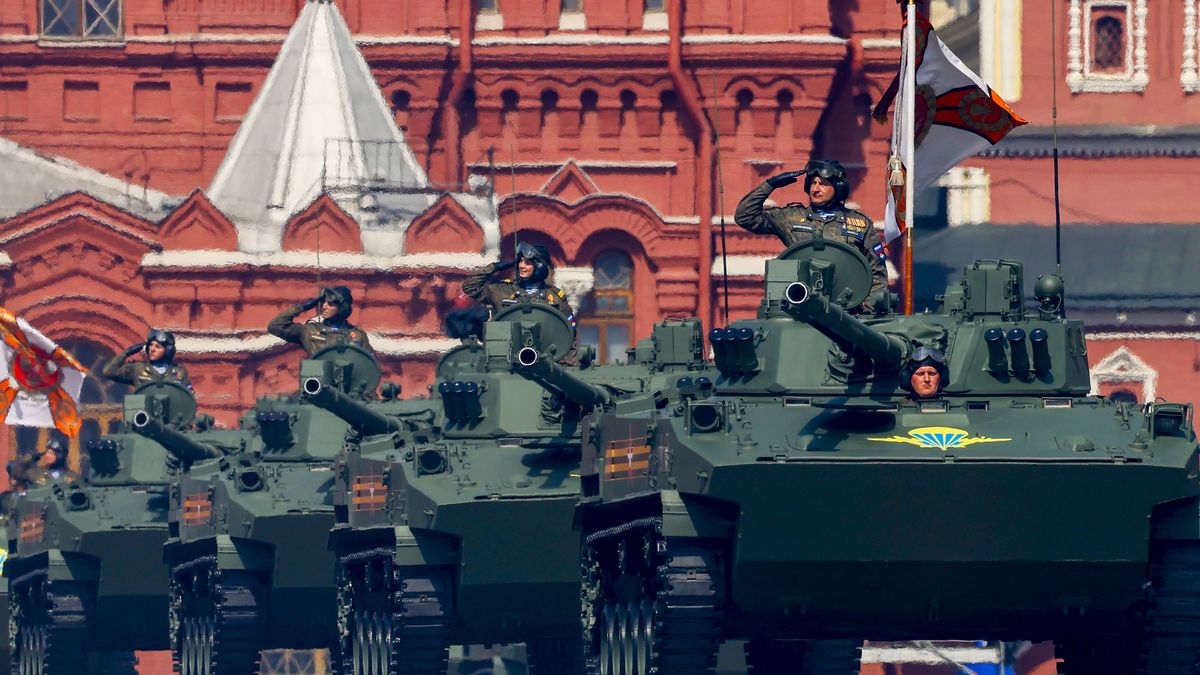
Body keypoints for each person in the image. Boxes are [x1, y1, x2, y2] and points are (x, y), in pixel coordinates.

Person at [734, 159, 888, 305]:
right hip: (799, 302)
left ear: (838, 187)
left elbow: (876, 270)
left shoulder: (859, 223)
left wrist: (866, 307)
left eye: (822, 184)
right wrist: (770, 184)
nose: (815, 189)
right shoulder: (791, 217)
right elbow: (745, 217)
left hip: (847, 308)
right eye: (813, 183)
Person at [462, 242, 575, 322]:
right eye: (520, 261)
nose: (521, 266)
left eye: (527, 262)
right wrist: (495, 267)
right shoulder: (503, 290)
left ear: (539, 266)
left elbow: (568, 334)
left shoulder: (555, 297)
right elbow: (470, 287)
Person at [268, 286, 373, 357]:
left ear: (342, 308)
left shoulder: (357, 335)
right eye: (324, 302)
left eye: (330, 304)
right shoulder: (311, 330)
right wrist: (303, 307)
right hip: (317, 384)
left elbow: (369, 367)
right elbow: (275, 327)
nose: (324, 306)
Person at [102, 329, 193, 391]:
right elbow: (109, 372)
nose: (152, 349)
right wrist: (126, 353)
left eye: (157, 347)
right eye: (150, 345)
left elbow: (188, 398)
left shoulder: (179, 372)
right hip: (144, 416)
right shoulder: (138, 368)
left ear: (167, 351)